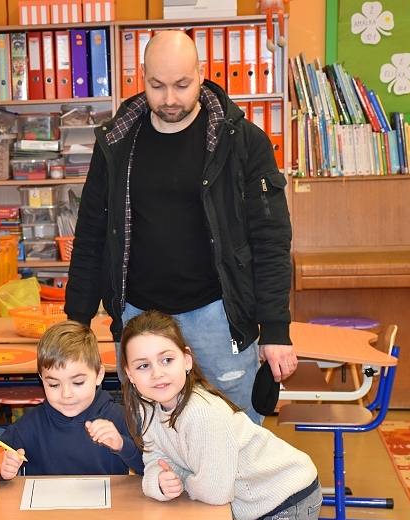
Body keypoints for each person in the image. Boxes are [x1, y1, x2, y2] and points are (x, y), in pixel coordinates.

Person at [64, 30, 296, 423]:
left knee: (235, 435)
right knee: (148, 440)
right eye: (157, 86)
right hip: (138, 318)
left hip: (219, 318)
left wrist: (275, 329)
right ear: (141, 76)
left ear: (202, 74)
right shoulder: (117, 143)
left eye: (182, 85)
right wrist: (77, 323)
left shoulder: (243, 142)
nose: (170, 99)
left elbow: (270, 240)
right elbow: (91, 235)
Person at [120, 310, 321, 520]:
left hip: (286, 496)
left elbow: (214, 493)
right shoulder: (147, 407)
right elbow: (155, 460)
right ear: (129, 374)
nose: (157, 373)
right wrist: (159, 482)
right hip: (255, 504)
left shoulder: (201, 413)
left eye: (167, 360)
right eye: (143, 366)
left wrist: (181, 480)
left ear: (186, 360)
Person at [0, 320, 143, 480]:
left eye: (78, 383)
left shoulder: (122, 419)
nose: (66, 394)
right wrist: (1, 468)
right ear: (42, 379)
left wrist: (122, 445)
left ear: (99, 375)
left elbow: (150, 468)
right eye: (54, 385)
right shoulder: (29, 426)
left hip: (109, 497)